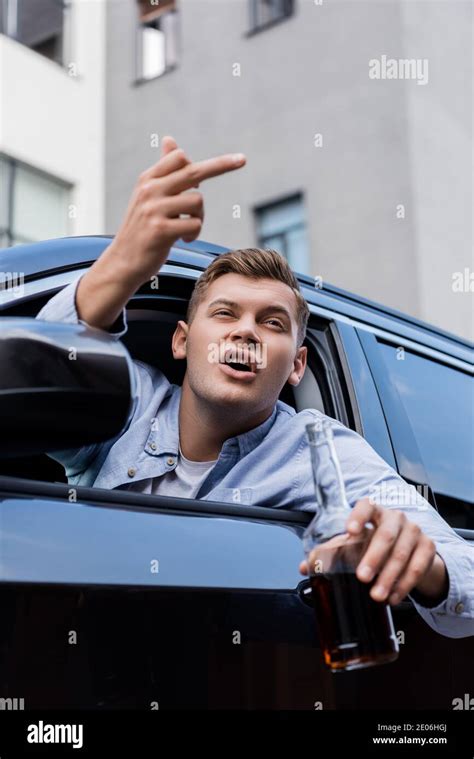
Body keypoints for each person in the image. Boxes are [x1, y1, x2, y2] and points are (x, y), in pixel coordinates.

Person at [37, 136, 474, 639]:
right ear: (182, 341)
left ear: (296, 366)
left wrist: (425, 566)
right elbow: (40, 374)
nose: (245, 331)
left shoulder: (323, 452)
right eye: (224, 314)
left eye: (272, 323)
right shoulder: (129, 403)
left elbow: (462, 570)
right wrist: (122, 264)